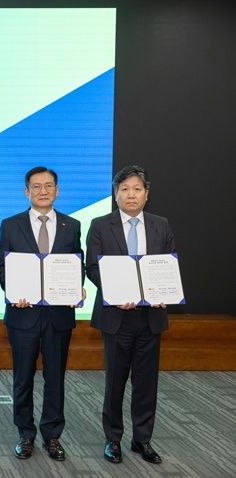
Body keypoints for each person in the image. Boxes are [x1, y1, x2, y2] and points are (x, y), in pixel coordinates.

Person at [86, 165, 174, 465]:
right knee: (115, 382)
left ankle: (142, 439)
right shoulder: (100, 225)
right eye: (124, 189)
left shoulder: (161, 225)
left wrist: (163, 292)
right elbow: (93, 267)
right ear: (115, 194)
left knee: (146, 383)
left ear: (146, 194)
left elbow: (168, 264)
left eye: (137, 189)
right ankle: (113, 439)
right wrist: (116, 292)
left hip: (150, 318)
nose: (131, 195)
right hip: (117, 317)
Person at [0, 166, 84, 462]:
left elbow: (76, 263)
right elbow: (1, 266)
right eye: (36, 186)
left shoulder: (72, 225)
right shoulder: (10, 225)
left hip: (59, 317)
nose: (43, 191)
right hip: (23, 316)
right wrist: (13, 291)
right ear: (27, 191)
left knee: (55, 378)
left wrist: (77, 288)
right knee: (22, 378)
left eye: (48, 186)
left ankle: (52, 435)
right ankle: (25, 433)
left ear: (57, 190)